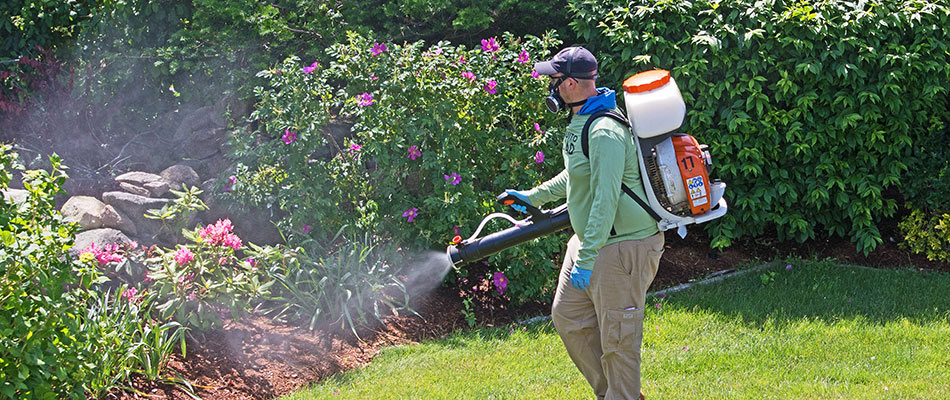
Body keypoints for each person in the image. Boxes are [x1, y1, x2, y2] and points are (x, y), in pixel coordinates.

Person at [504, 46, 664, 400]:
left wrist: (588, 256)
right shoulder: (584, 120)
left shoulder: (604, 129)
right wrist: (534, 196)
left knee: (618, 340)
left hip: (621, 246)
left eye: (555, 81)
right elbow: (577, 175)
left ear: (572, 84)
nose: (552, 87)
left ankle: (621, 396)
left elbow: (605, 200)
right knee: (568, 317)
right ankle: (616, 394)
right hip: (592, 243)